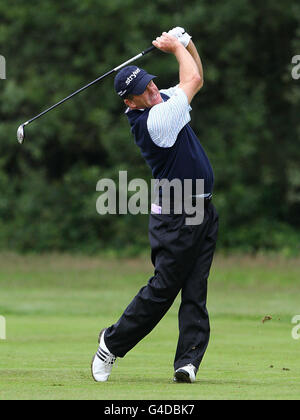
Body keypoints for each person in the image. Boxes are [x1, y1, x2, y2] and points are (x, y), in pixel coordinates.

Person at [91, 28, 219, 383]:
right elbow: (191, 77)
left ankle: (187, 361)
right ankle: (111, 343)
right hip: (178, 213)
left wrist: (188, 41)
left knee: (196, 285)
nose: (152, 90)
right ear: (130, 103)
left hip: (202, 209)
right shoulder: (156, 121)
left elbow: (198, 77)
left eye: (150, 83)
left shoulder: (159, 99)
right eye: (142, 92)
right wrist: (177, 45)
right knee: (164, 288)